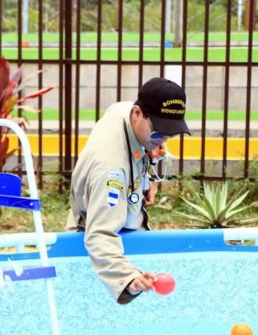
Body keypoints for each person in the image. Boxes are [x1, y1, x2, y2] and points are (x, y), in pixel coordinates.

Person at [66, 77, 190, 304]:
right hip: (101, 250)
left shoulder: (124, 113)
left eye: (170, 134)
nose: (162, 140)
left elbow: (140, 142)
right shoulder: (111, 171)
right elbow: (99, 235)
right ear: (137, 113)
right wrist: (127, 279)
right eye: (158, 133)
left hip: (123, 222)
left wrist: (144, 179)